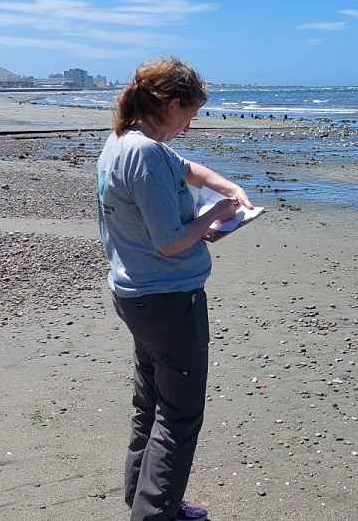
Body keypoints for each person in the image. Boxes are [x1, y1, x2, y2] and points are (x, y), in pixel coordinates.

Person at [96, 58, 253, 521]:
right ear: (171, 104)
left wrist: (227, 186)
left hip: (135, 293)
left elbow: (184, 167)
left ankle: (144, 496)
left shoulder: (124, 143)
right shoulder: (144, 153)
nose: (189, 126)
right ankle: (155, 513)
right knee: (179, 415)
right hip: (167, 299)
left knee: (151, 401)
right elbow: (169, 243)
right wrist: (215, 217)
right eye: (190, 115)